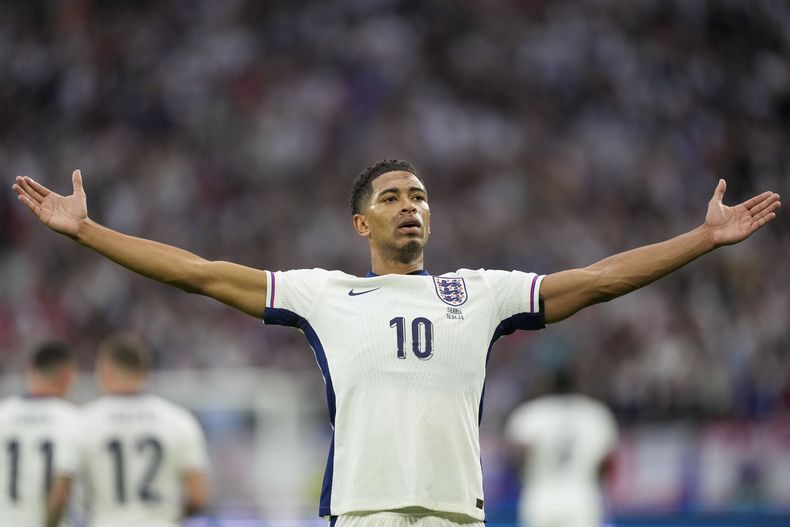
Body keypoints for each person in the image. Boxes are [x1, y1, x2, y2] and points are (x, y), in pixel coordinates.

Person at [12, 158, 780, 527]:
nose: (409, 206)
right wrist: (88, 232)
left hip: (456, 514)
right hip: (364, 513)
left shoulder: (482, 292)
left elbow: (600, 279)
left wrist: (702, 240)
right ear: (362, 224)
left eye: (418, 195)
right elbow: (199, 273)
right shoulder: (324, 294)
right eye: (390, 197)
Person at [46, 333, 209, 527]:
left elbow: (59, 496)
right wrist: (167, 516)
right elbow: (198, 497)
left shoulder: (83, 422)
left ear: (105, 370)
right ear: (145, 373)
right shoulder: (179, 420)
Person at [505, 367, 618, 527]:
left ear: (549, 385)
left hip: (540, 496)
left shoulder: (531, 413)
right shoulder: (596, 414)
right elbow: (607, 463)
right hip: (583, 497)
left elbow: (515, 457)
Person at [0, 340, 79, 527]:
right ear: (67, 375)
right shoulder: (74, 421)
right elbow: (62, 490)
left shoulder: (3, 415)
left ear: (29, 370)